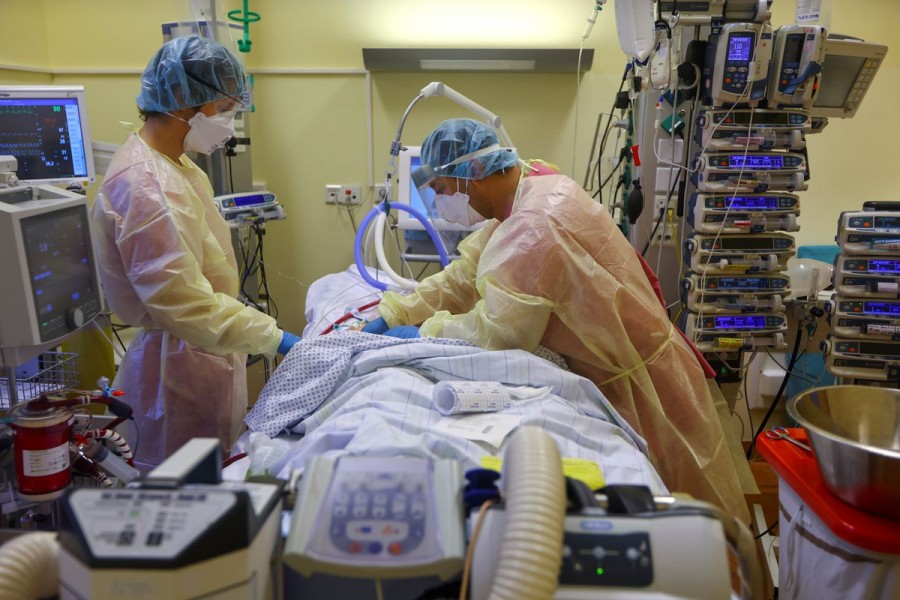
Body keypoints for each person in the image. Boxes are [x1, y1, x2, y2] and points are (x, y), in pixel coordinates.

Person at [364, 118, 750, 521]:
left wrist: (423, 333)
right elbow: (465, 275)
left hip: (644, 387)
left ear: (469, 176)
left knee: (693, 518)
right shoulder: (532, 182)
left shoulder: (533, 229)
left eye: (441, 192)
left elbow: (496, 334)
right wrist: (397, 311)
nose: (439, 206)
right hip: (635, 361)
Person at [91, 35, 301, 470]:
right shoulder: (146, 186)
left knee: (212, 475)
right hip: (174, 375)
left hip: (199, 356)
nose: (230, 122)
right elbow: (182, 303)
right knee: (180, 493)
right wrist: (276, 338)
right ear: (185, 103)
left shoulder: (177, 166)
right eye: (225, 109)